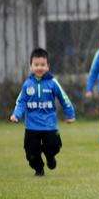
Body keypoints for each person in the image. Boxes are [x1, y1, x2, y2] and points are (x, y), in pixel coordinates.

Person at [10, 48, 75, 176]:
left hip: (49, 124)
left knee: (54, 146)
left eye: (43, 65)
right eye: (36, 65)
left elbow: (64, 98)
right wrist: (16, 114)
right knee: (31, 152)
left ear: (48, 66)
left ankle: (50, 157)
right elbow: (21, 102)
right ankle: (38, 169)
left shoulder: (53, 83)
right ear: (31, 66)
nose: (39, 68)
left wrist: (70, 114)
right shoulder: (27, 84)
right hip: (32, 126)